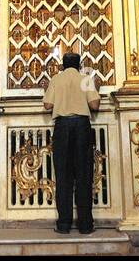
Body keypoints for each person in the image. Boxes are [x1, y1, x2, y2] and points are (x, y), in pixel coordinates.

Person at [42, 52, 100, 234]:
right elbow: (95, 105)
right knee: (84, 175)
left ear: (63, 65)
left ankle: (64, 224)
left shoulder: (56, 79)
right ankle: (85, 225)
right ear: (79, 65)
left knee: (63, 176)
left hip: (63, 127)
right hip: (82, 127)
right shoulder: (85, 78)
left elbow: (47, 105)